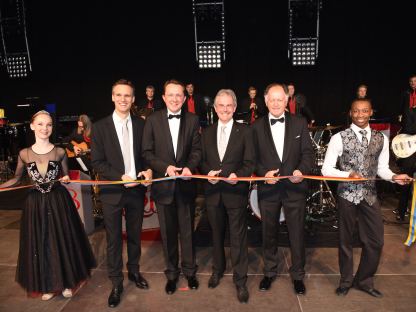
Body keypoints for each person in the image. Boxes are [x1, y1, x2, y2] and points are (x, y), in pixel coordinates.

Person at [0, 110, 96, 301]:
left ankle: (67, 282)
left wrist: (66, 178)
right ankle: (48, 285)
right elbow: (16, 179)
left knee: (62, 240)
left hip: (58, 201)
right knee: (41, 243)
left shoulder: (59, 151)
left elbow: (64, 175)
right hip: (36, 205)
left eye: (49, 124)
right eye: (41, 124)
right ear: (32, 126)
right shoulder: (24, 154)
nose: (45, 128)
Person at [321, 98, 411, 298]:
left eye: (364, 111)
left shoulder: (381, 138)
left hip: (370, 195)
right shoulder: (338, 137)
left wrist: (395, 177)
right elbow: (326, 169)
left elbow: (382, 169)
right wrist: (347, 175)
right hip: (347, 194)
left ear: (371, 112)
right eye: (356, 111)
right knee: (345, 241)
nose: (360, 115)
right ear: (350, 113)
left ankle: (364, 280)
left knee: (376, 241)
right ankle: (345, 281)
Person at [91, 79, 152, 308]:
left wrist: (147, 169)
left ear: (133, 99)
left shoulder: (141, 125)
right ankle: (116, 282)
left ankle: (134, 272)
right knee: (114, 239)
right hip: (112, 191)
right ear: (112, 97)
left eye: (127, 95)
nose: (123, 99)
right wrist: (120, 176)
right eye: (119, 95)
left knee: (135, 235)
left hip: (136, 190)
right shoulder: (99, 127)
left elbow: (146, 154)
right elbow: (97, 162)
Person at [252, 83, 314, 295]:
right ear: (266, 101)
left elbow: (308, 154)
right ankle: (269, 272)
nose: (276, 103)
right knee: (268, 233)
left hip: (295, 189)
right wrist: (263, 174)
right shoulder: (256, 126)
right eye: (272, 99)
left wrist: (301, 170)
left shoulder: (299, 123)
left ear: (287, 101)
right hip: (268, 189)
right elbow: (252, 159)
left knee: (296, 233)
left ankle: (298, 275)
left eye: (280, 99)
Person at [142, 79, 202, 295]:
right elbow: (147, 152)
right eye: (171, 95)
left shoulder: (194, 120)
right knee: (167, 234)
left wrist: (188, 167)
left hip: (185, 185)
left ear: (184, 98)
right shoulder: (152, 120)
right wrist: (165, 167)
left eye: (179, 95)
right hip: (163, 187)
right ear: (164, 97)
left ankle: (190, 271)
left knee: (187, 233)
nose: (175, 99)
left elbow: (197, 151)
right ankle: (172, 274)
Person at [200, 89, 254, 303]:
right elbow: (202, 161)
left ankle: (240, 280)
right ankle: (218, 270)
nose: (224, 109)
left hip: (235, 193)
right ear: (215, 108)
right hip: (213, 193)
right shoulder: (206, 132)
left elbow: (250, 162)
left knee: (238, 238)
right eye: (220, 105)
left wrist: (238, 175)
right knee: (216, 235)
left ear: (234, 108)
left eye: (228, 105)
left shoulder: (245, 131)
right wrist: (207, 174)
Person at [395, 74, 416, 221]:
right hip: (410, 146)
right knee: (406, 179)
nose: (413, 83)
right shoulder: (406, 98)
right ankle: (401, 212)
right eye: (411, 81)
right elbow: (402, 118)